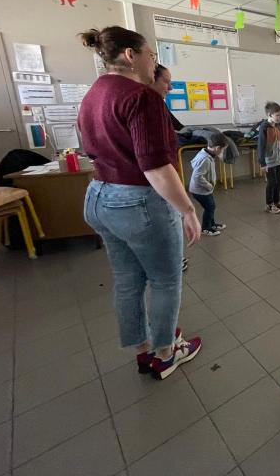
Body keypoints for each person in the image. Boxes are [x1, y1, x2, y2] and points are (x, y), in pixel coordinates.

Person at [78, 26, 201, 381]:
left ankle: (143, 349)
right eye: (151, 55)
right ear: (130, 55)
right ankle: (165, 354)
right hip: (137, 202)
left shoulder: (93, 93)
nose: (153, 63)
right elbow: (156, 168)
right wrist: (187, 209)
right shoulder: (142, 97)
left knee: (127, 280)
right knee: (165, 280)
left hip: (99, 196)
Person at [151, 64, 188, 273]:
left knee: (169, 218)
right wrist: (188, 209)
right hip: (159, 180)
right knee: (167, 218)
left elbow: (179, 128)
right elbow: (155, 161)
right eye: (166, 81)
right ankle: (172, 260)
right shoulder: (149, 104)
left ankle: (174, 257)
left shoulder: (159, 105)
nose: (171, 87)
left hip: (166, 175)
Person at [189, 132, 228, 236]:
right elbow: (197, 176)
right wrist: (209, 185)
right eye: (222, 150)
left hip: (204, 189)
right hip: (200, 190)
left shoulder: (206, 154)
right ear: (217, 148)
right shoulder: (205, 159)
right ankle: (206, 228)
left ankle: (212, 224)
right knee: (210, 207)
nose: (222, 152)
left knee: (211, 207)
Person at [258, 101, 280, 214]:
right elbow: (261, 146)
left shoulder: (279, 126)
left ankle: (277, 202)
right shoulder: (264, 127)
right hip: (269, 160)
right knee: (272, 182)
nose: (279, 117)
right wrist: (262, 163)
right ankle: (269, 204)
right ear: (269, 115)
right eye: (277, 115)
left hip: (278, 159)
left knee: (278, 182)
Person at [152, 64, 184, 131]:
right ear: (150, 80)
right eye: (166, 82)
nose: (170, 88)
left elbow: (179, 128)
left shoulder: (159, 102)